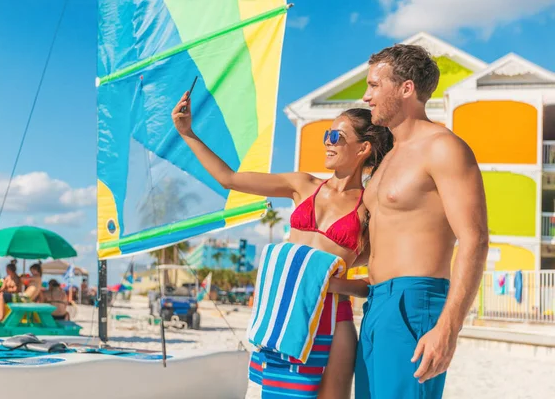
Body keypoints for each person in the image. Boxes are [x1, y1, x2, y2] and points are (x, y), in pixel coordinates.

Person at [172, 95, 393, 398]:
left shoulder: (369, 207)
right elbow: (230, 179)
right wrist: (188, 133)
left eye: (336, 137)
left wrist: (328, 285)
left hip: (335, 318)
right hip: (286, 313)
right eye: (326, 135)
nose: (327, 142)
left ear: (363, 148)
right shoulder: (302, 185)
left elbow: (376, 281)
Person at [330, 44, 489, 399]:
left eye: (374, 86)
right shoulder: (388, 160)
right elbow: (383, 240)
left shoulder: (443, 147)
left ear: (406, 89)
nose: (366, 96)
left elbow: (475, 238)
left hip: (415, 302)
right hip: (375, 304)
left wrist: (449, 327)